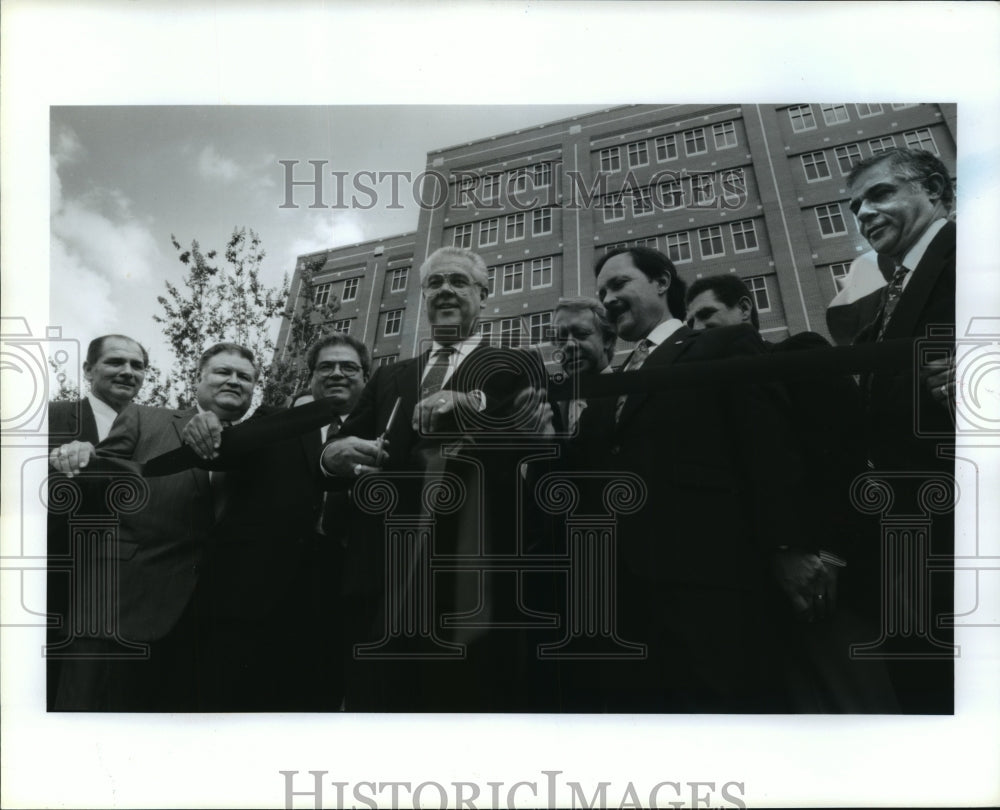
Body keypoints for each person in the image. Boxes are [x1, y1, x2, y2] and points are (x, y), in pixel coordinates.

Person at [574, 245, 813, 712]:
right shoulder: (609, 384)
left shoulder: (720, 345)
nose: (608, 299)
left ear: (662, 282)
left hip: (714, 586)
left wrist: (789, 545)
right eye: (602, 293)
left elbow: (767, 446)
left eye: (619, 284)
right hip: (631, 598)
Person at [320, 246, 538, 711]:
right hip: (382, 571)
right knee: (376, 706)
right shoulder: (388, 377)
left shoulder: (516, 366)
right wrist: (332, 455)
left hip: (469, 575)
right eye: (434, 283)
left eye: (458, 281)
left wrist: (469, 402)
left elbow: (524, 436)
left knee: (461, 707)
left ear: (483, 293)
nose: (445, 291)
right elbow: (341, 444)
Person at [685, 274, 899, 711]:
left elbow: (848, 458)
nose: (697, 328)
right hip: (760, 594)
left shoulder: (796, 353)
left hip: (826, 580)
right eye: (689, 323)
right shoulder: (705, 395)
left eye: (707, 314)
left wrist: (832, 554)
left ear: (745, 309)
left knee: (859, 703)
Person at [48, 341, 257, 710]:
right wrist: (79, 456)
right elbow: (99, 477)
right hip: (117, 608)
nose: (234, 381)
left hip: (202, 628)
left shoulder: (259, 448)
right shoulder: (145, 418)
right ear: (198, 378)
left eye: (245, 376)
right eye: (223, 371)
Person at [181, 333, 370, 711]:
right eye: (326, 367)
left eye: (349, 367)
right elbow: (219, 453)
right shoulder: (275, 419)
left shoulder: (381, 431)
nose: (336, 373)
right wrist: (205, 425)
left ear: (366, 377)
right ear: (311, 377)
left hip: (334, 603)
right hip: (251, 597)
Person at [845, 147, 956, 713]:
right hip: (906, 534)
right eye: (856, 205)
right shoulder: (890, 295)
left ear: (934, 190)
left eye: (880, 193)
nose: (864, 212)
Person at [46, 334, 148, 708]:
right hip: (55, 585)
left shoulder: (155, 428)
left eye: (137, 365)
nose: (128, 371)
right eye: (115, 362)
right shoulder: (51, 416)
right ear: (88, 370)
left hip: (125, 598)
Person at [551, 297, 616, 433]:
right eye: (561, 339)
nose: (569, 344)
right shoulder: (554, 409)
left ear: (607, 340)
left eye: (580, 334)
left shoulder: (627, 397)